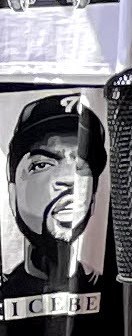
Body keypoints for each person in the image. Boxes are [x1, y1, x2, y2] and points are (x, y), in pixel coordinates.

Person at [2, 92, 104, 301]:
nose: (69, 179)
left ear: (94, 197)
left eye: (81, 166)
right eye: (42, 165)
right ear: (12, 194)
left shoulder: (110, 284)